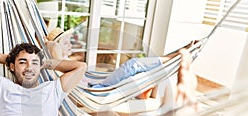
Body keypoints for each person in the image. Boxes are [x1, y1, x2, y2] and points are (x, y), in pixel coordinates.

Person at [46, 27, 198, 100]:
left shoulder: (66, 64)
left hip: (98, 85)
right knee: (133, 65)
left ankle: (176, 56)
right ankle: (177, 55)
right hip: (100, 90)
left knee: (138, 70)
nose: (71, 45)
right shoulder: (63, 66)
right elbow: (53, 47)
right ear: (58, 47)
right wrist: (52, 46)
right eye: (66, 42)